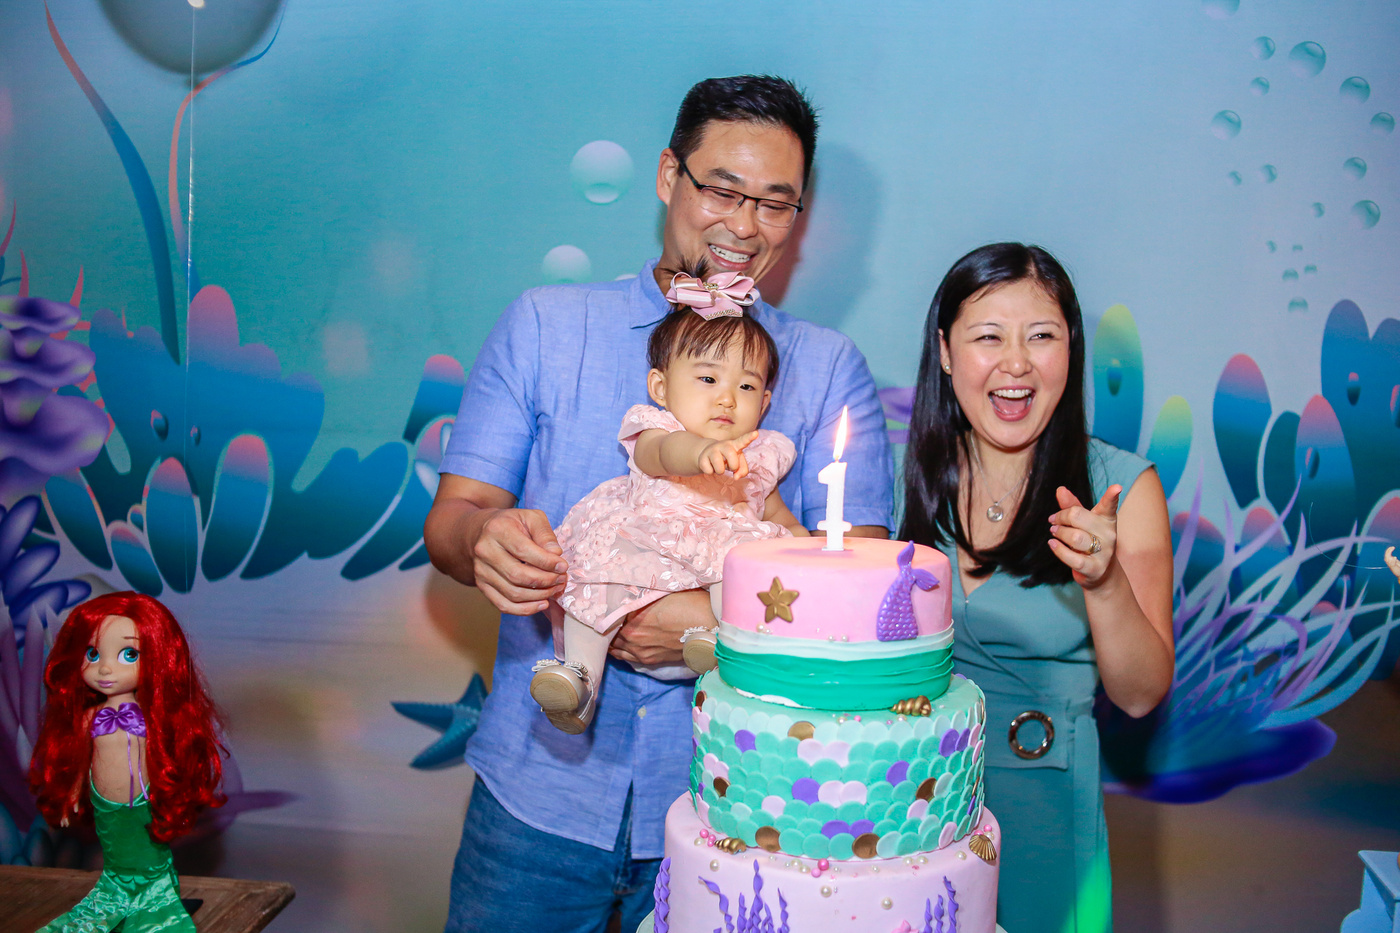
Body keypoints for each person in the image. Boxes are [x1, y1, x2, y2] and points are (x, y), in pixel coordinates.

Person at [424, 75, 893, 933]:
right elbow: (455, 519)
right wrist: (488, 536)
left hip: (737, 808)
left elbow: (860, 593)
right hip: (534, 801)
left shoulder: (827, 370)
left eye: (775, 203)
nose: (744, 225)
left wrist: (710, 623)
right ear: (669, 176)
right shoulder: (546, 325)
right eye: (723, 189)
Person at [899, 243, 1174, 933]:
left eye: (1042, 336)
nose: (1017, 363)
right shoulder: (908, 477)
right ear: (946, 352)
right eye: (989, 337)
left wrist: (1103, 581)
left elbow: (1140, 693)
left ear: (1070, 352)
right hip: (910, 800)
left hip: (1045, 807)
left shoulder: (1122, 486)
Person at [530, 266, 808, 734]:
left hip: (710, 574)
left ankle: (718, 643)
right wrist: (700, 453)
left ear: (764, 403)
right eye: (708, 379)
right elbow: (662, 454)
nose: (727, 398)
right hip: (644, 551)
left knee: (747, 569)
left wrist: (807, 550)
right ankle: (577, 682)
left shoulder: (763, 453)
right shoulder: (657, 430)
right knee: (593, 586)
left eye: (745, 386)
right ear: (661, 388)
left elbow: (779, 515)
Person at [28, 592, 225, 933]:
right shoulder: (89, 718)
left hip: (146, 799)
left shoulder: (153, 719)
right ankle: (119, 896)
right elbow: (79, 761)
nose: (105, 668)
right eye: (92, 654)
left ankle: (156, 898)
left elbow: (170, 755)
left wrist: (172, 789)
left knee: (150, 853)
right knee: (116, 856)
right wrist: (72, 794)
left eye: (128, 654)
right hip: (105, 803)